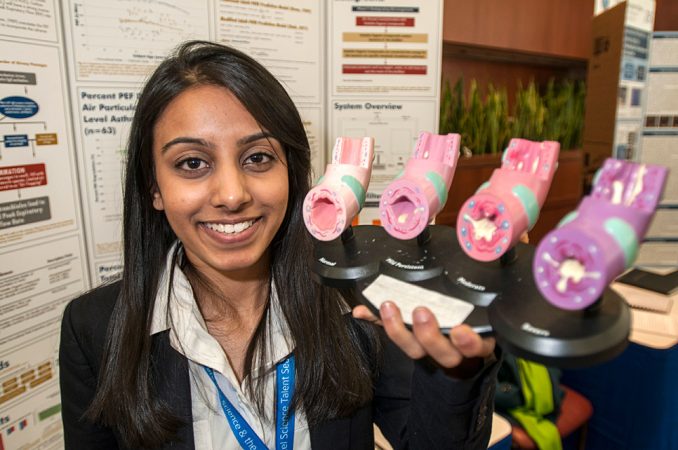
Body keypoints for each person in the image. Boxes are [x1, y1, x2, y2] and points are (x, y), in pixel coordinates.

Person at [59, 40, 500, 450]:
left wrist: (453, 372)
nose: (232, 195)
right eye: (192, 163)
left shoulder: (355, 302)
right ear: (154, 187)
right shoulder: (94, 330)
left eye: (258, 158)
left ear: (291, 172)